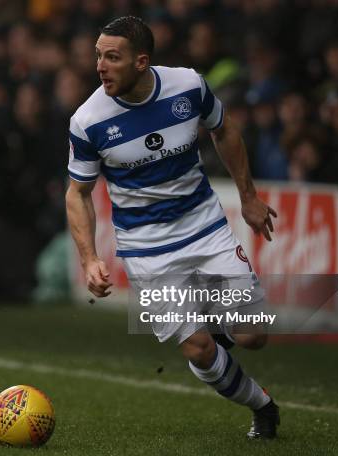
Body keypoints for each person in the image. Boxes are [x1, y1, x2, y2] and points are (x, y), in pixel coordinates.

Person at [65, 16, 280, 439]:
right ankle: (262, 405)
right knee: (199, 350)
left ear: (141, 62)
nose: (100, 66)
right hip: (148, 251)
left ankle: (211, 334)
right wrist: (89, 259)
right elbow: (78, 193)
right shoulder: (88, 120)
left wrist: (249, 197)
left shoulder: (188, 85)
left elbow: (224, 130)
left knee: (253, 334)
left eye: (112, 57)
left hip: (206, 229)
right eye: (98, 56)